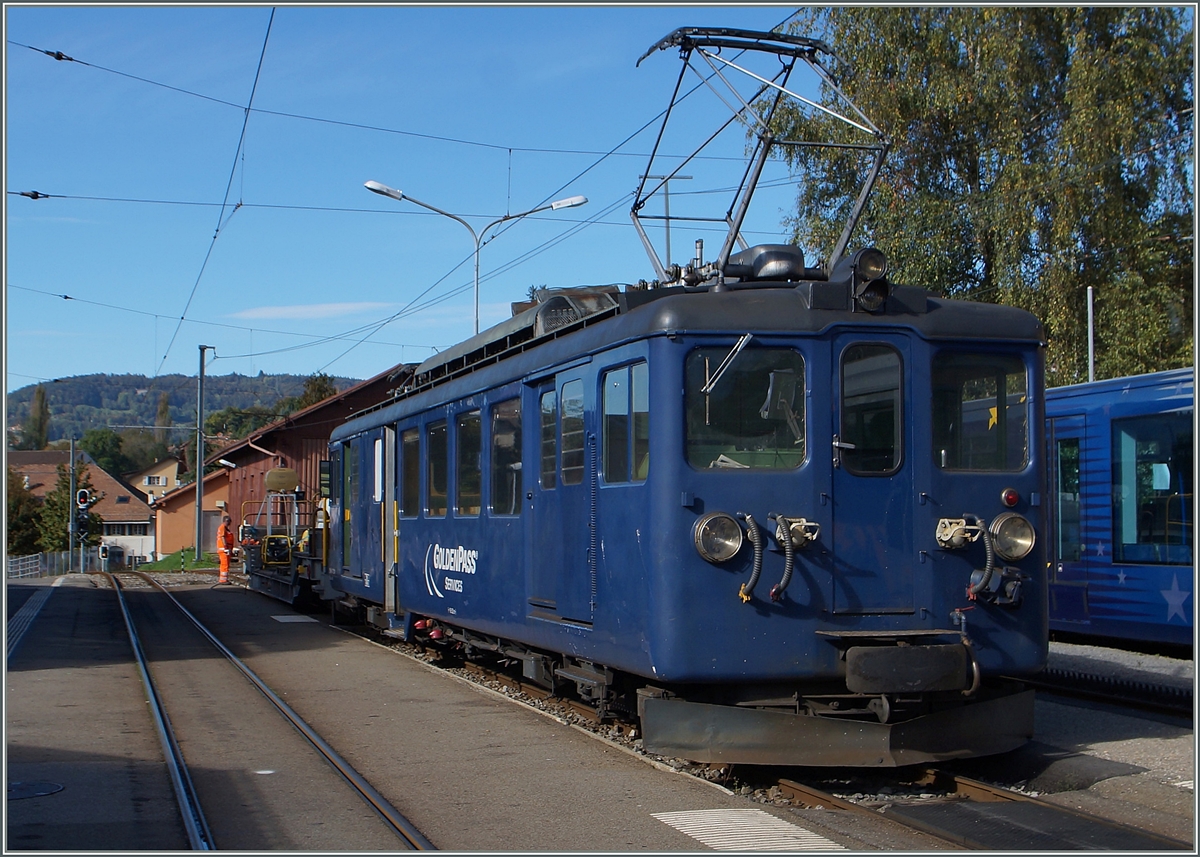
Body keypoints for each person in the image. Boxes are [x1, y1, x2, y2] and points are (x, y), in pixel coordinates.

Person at [217, 514, 234, 584]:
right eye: (229, 522)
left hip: (226, 549)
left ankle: (224, 579)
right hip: (224, 549)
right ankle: (223, 580)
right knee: (225, 565)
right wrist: (226, 547)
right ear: (226, 521)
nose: (229, 523)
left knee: (225, 564)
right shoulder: (222, 528)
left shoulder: (225, 528)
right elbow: (223, 537)